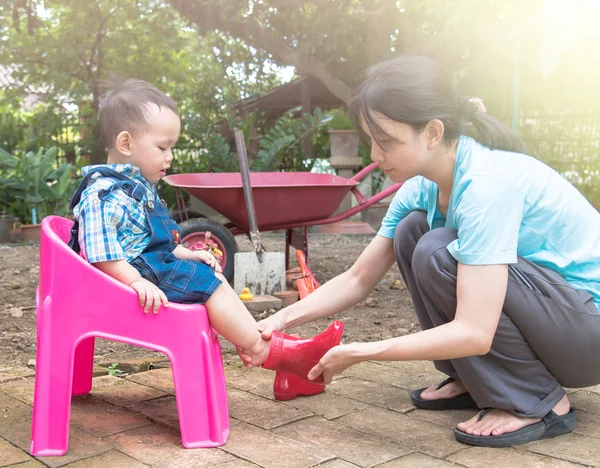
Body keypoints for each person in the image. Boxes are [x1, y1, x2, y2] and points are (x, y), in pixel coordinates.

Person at [243, 55, 600, 447]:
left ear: (432, 132)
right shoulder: (420, 187)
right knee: (415, 230)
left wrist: (362, 352)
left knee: (437, 250)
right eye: (371, 141)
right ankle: (473, 377)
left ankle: (537, 402)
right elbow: (360, 278)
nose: (376, 155)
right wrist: (281, 319)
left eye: (387, 141)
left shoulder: (486, 186)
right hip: (557, 319)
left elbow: (476, 331)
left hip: (586, 335)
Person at [69, 76, 344, 397]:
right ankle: (266, 351)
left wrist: (184, 253)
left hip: (145, 269)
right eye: (163, 147)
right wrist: (135, 282)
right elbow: (101, 254)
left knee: (208, 273)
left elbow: (152, 240)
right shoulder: (105, 194)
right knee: (204, 285)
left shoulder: (139, 188)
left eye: (172, 147)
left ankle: (281, 353)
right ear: (127, 144)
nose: (170, 156)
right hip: (123, 283)